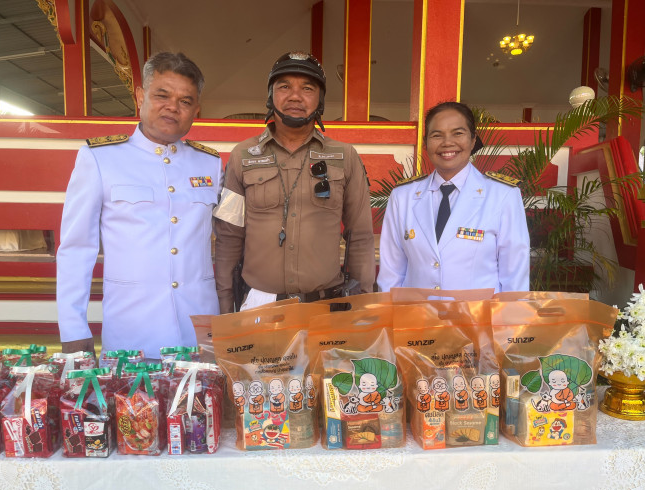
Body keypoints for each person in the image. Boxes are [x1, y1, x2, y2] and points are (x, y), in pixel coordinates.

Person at [56, 52, 222, 359]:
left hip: (199, 331)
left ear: (196, 110)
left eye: (185, 101)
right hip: (133, 333)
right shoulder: (100, 158)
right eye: (162, 95)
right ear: (140, 96)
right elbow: (76, 249)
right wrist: (73, 329)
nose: (173, 106)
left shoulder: (210, 164)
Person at [213, 51, 375, 313]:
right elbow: (229, 235)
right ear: (271, 96)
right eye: (284, 87)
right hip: (259, 306)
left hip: (325, 307)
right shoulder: (242, 156)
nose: (295, 96)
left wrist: (363, 305)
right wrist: (224, 304)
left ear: (320, 100)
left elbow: (360, 237)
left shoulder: (345, 157)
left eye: (307, 88)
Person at [377, 101, 529, 293]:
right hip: (416, 312)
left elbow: (514, 277)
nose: (447, 143)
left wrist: (511, 313)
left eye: (458, 133)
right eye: (437, 135)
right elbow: (391, 274)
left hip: (478, 313)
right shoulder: (403, 197)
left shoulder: (503, 195)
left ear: (473, 140)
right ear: (425, 143)